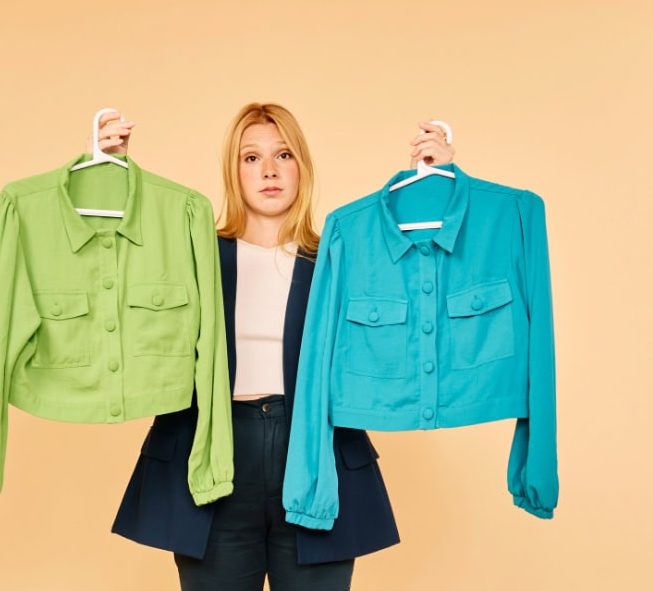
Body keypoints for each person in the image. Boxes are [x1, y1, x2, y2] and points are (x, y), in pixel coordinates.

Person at [107, 104, 455, 590]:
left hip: (316, 456)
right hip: (213, 459)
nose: (268, 170)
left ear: (302, 167)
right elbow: (116, 273)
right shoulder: (195, 254)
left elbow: (424, 291)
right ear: (233, 170)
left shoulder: (340, 256)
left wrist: (439, 186)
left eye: (283, 154)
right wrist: (113, 176)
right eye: (251, 158)